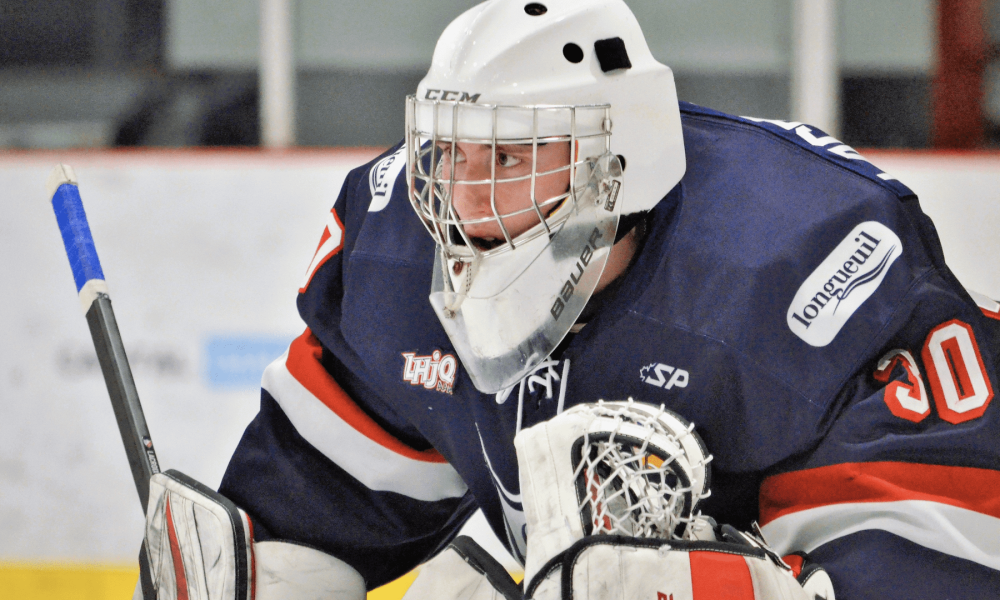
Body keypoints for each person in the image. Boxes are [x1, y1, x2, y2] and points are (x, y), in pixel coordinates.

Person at [142, 1, 1000, 598]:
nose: (465, 201)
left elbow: (949, 550)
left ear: (617, 163)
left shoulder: (801, 256)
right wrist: (263, 560)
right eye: (452, 154)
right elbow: (329, 479)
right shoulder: (397, 248)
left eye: (510, 160)